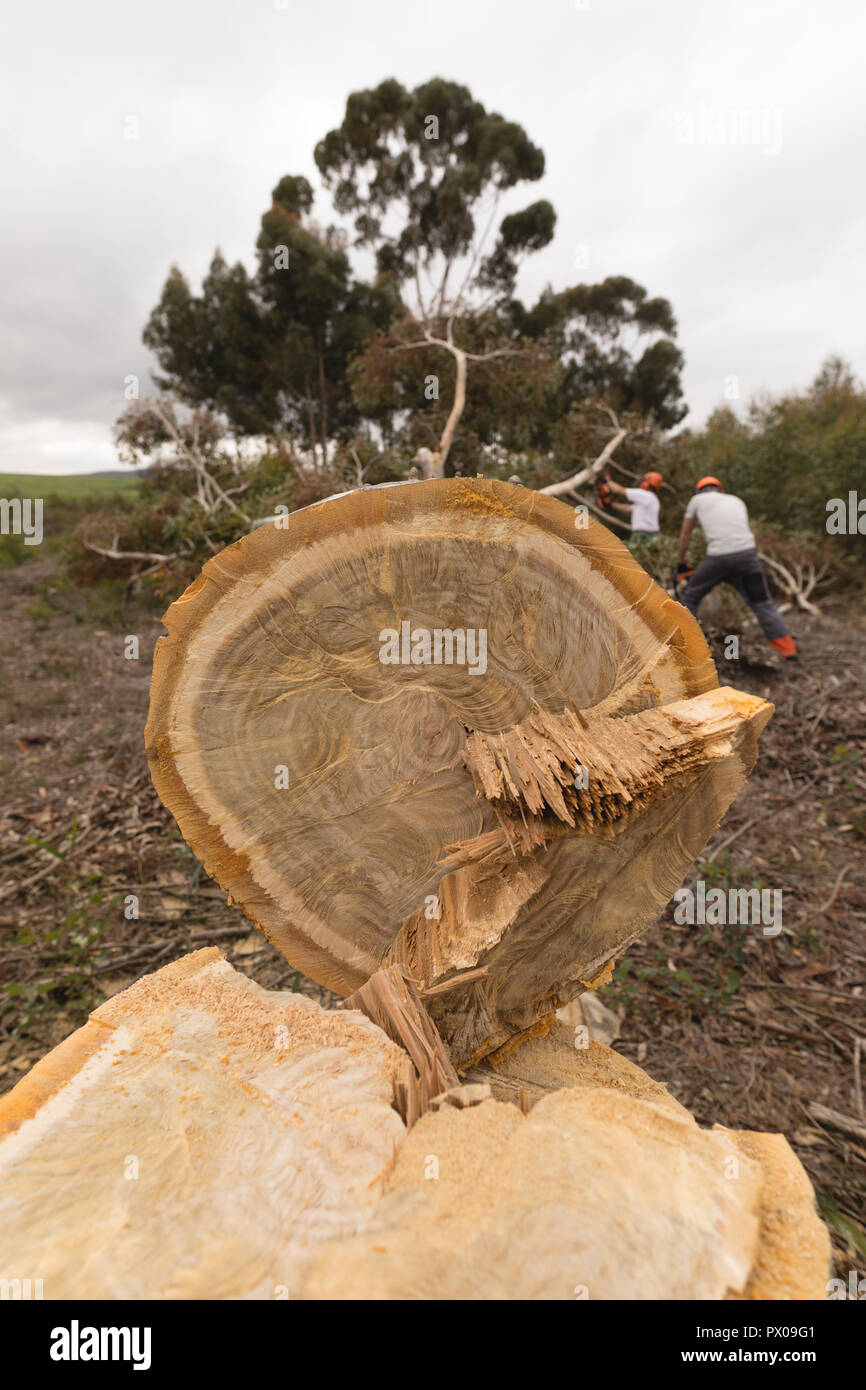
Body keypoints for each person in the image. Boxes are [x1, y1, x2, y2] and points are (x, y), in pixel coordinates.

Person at [676, 477, 798, 660]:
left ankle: (690, 652)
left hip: (718, 559)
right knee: (762, 602)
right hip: (747, 557)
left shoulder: (696, 500)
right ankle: (788, 652)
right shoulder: (736, 501)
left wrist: (681, 563)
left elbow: (685, 536)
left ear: (699, 491)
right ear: (720, 489)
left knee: (690, 598)